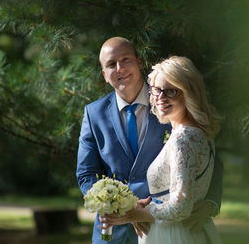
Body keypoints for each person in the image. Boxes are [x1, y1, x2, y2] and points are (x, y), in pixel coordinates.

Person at [77, 37, 223, 244]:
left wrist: (210, 203)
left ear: (139, 62)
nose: (119, 69)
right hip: (114, 233)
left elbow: (210, 161)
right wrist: (122, 207)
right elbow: (86, 174)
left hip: (175, 227)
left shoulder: (170, 101)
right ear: (104, 74)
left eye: (126, 60)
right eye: (111, 64)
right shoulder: (93, 113)